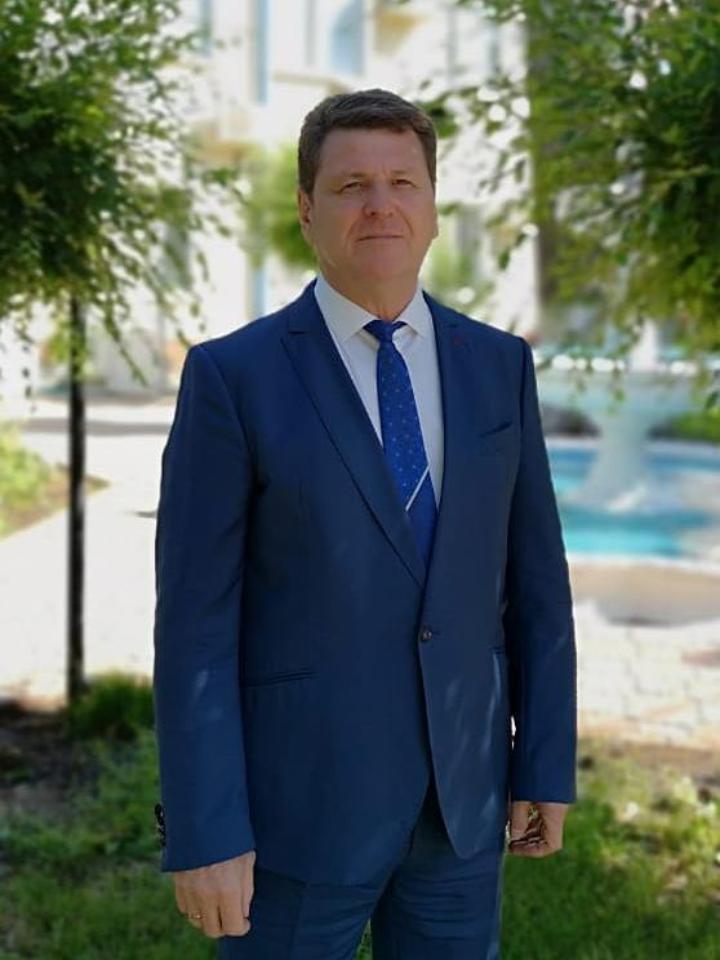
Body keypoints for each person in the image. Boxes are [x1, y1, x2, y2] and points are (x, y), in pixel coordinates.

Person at [152, 88, 577, 959]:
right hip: (296, 817)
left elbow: (538, 584)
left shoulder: (499, 366)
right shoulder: (233, 378)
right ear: (307, 210)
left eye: (401, 183)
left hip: (461, 811)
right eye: (351, 187)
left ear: (432, 207)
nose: (380, 204)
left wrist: (543, 758)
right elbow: (195, 625)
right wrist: (206, 828)